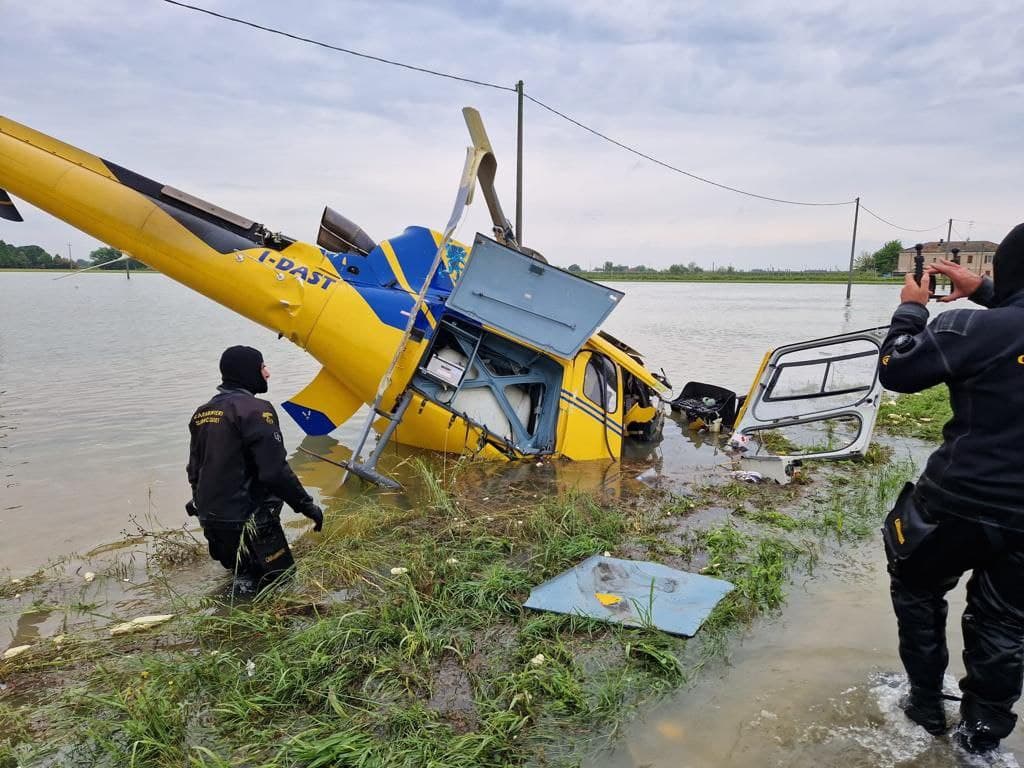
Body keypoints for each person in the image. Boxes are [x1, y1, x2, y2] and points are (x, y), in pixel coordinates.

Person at [878, 223, 1024, 754]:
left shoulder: (969, 329)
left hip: (957, 502)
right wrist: (988, 293)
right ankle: (981, 740)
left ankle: (922, 703)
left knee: (916, 587)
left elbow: (896, 370)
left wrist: (913, 309)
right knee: (1006, 623)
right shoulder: (985, 322)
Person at [186, 345, 323, 594]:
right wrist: (307, 506)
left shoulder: (202, 413)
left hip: (212, 523)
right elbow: (274, 472)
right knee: (280, 585)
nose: (267, 373)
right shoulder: (257, 410)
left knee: (244, 578)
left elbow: (195, 469)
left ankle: (229, 622)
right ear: (249, 371)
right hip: (251, 523)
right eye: (263, 367)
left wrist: (198, 501)